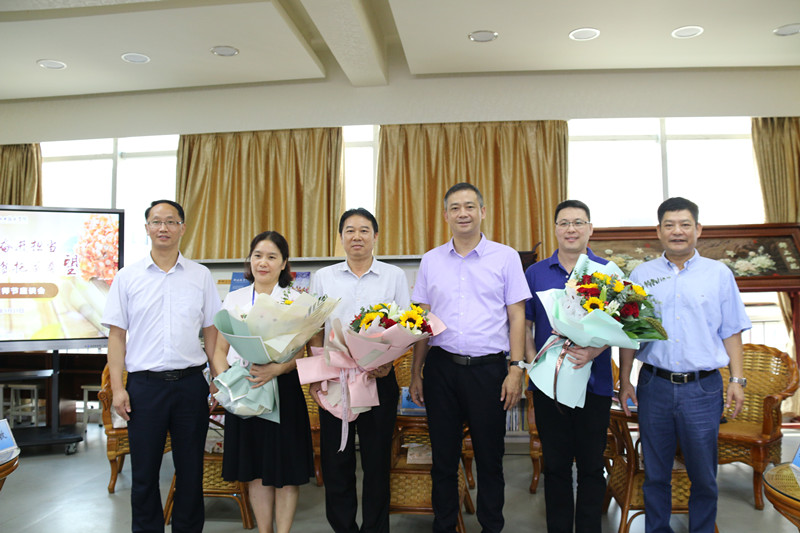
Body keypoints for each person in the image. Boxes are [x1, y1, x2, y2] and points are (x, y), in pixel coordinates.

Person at [618, 197, 751, 533]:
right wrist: (626, 381)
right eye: (670, 225)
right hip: (654, 385)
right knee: (655, 473)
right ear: (658, 231)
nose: (677, 231)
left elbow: (731, 330)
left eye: (685, 224)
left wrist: (737, 380)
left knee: (703, 475)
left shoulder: (718, 275)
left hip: (703, 388)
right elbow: (631, 334)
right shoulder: (642, 275)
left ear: (698, 229)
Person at [409, 182, 531, 533]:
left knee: (490, 460)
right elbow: (421, 321)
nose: (463, 213)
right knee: (443, 460)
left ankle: (491, 526)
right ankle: (445, 526)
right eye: (455, 207)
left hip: (488, 371)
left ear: (482, 212)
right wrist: (416, 372)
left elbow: (517, 316)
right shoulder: (431, 260)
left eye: (470, 206)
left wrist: (516, 369)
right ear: (446, 215)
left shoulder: (505, 257)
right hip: (442, 369)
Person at [102, 199, 221, 533]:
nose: (163, 228)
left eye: (171, 221)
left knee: (191, 471)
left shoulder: (200, 275)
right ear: (147, 228)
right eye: (156, 221)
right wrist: (118, 388)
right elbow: (117, 336)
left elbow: (212, 330)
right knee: (143, 474)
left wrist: (217, 377)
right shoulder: (127, 277)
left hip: (190, 385)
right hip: (144, 387)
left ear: (183, 228)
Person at [308, 207, 411, 533]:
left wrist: (389, 362)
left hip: (378, 378)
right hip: (335, 379)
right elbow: (314, 328)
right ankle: (343, 527)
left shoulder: (393, 276)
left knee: (377, 462)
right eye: (350, 230)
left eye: (364, 230)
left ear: (375, 236)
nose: (357, 236)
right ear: (340, 237)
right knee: (336, 461)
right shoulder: (324, 277)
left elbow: (407, 327)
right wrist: (316, 377)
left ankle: (375, 528)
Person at [210, 231, 315, 533]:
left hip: (284, 390)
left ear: (284, 263)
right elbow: (219, 351)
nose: (263, 262)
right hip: (246, 389)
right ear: (250, 260)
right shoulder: (235, 298)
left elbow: (304, 353)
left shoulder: (296, 301)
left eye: (271, 257)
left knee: (287, 471)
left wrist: (278, 369)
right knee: (255, 470)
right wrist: (229, 384)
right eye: (257, 255)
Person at [524, 199, 613, 533]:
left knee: (592, 467)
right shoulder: (535, 273)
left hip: (595, 383)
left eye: (578, 222)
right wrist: (533, 364)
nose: (571, 229)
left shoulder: (606, 271)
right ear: (555, 229)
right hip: (549, 385)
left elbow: (621, 325)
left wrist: (594, 350)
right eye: (564, 223)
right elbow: (525, 325)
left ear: (590, 228)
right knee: (556, 466)